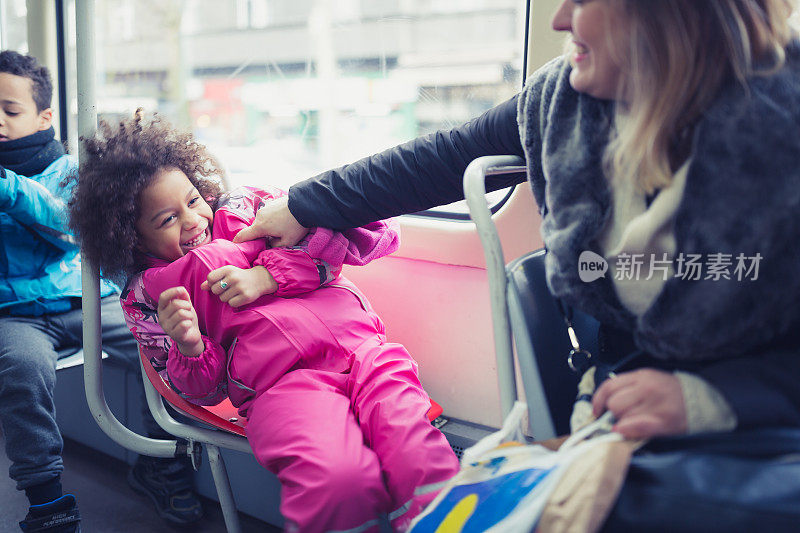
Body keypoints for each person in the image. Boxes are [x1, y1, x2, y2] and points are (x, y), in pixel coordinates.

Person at [233, 0, 800, 441]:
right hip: (624, 382)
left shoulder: (782, 127)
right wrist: (305, 204)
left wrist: (711, 400)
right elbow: (436, 160)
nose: (558, 19)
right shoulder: (562, 100)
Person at [67, 113, 459, 533]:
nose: (193, 220)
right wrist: (190, 347)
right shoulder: (147, 297)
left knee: (414, 450)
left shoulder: (249, 210)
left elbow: (366, 236)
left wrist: (269, 275)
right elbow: (199, 392)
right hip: (280, 387)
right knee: (336, 479)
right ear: (130, 236)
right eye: (166, 219)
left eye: (193, 200)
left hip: (367, 352)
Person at [0, 51, 203, 532]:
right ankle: (46, 497)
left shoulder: (69, 170)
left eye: (9, 110)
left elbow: (71, 229)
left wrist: (9, 189)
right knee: (22, 371)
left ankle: (162, 462)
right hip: (14, 313)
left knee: (163, 343)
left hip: (87, 299)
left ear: (44, 117)